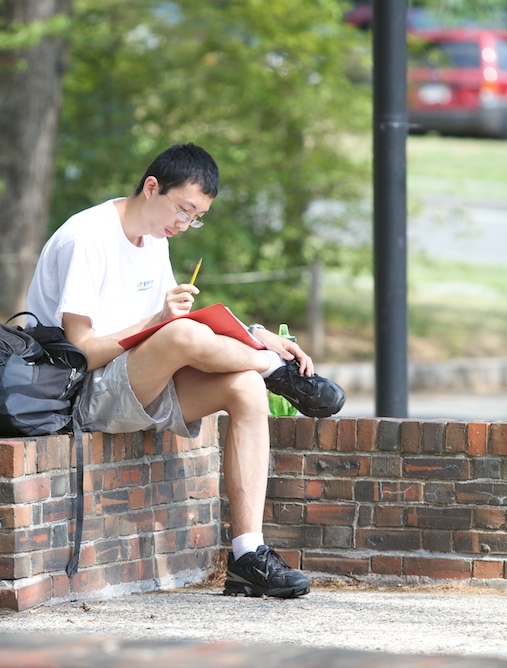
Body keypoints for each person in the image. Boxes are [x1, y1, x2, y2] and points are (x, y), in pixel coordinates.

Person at [26, 142, 345, 599]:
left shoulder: (154, 240)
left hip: (141, 381)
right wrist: (158, 324)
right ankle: (274, 369)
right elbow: (79, 352)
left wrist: (253, 332)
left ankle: (247, 556)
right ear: (152, 187)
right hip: (84, 390)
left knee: (245, 391)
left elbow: (188, 327)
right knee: (180, 337)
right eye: (182, 210)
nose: (184, 224)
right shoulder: (88, 237)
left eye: (196, 217)